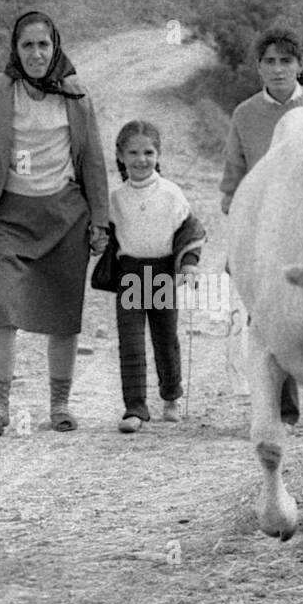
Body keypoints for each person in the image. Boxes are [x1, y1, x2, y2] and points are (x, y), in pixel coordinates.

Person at [0, 10, 109, 435]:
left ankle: (60, 404)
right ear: (15, 50)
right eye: (28, 46)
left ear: (55, 46)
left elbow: (92, 161)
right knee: (2, 307)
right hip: (10, 218)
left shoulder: (76, 95)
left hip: (64, 219)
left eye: (44, 45)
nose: (37, 54)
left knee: (64, 314)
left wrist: (101, 221)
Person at [219, 26, 303, 429]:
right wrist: (240, 235)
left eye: (286, 60)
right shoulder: (245, 115)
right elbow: (233, 184)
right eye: (269, 61)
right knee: (269, 318)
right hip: (264, 232)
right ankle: (282, 411)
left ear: (301, 64)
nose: (278, 69)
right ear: (258, 68)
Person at [108, 120, 205, 433]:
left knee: (165, 338)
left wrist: (188, 264)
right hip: (132, 275)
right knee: (131, 342)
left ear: (158, 154)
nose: (141, 159)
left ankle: (171, 396)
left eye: (148, 152)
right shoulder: (117, 198)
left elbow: (190, 230)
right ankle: (135, 407)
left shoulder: (171, 193)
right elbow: (105, 235)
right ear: (120, 156)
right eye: (133, 152)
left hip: (162, 273)